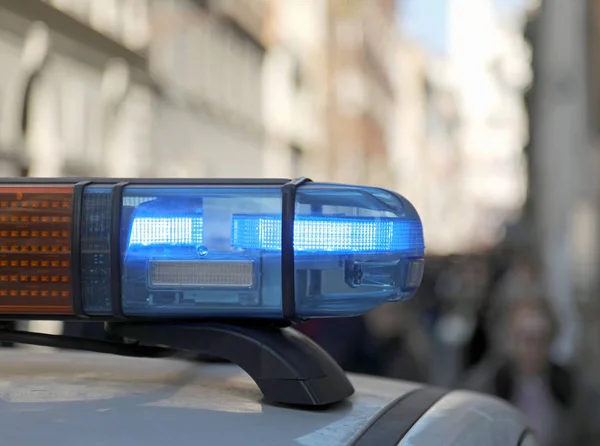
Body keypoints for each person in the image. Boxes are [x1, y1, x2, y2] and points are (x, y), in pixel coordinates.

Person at [463, 296, 600, 446]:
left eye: (541, 339)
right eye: (527, 339)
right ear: (511, 339)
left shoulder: (575, 388)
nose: (534, 349)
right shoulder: (485, 387)